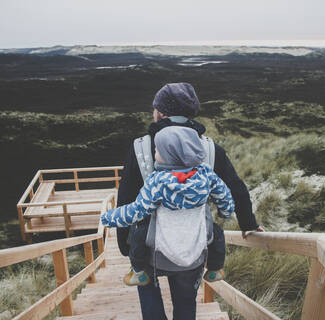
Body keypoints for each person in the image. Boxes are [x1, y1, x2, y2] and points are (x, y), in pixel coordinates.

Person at [116, 82, 264, 319]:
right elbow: (236, 188)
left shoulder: (141, 148)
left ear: (161, 112)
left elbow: (125, 198)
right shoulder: (210, 149)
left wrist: (124, 243)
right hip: (193, 245)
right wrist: (247, 223)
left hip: (148, 244)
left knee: (150, 300)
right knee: (185, 304)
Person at [101, 126, 234, 289]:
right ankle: (215, 269)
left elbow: (136, 211)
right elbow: (224, 195)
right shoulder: (207, 175)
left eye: (157, 150)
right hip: (196, 238)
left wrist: (109, 218)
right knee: (217, 232)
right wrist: (226, 211)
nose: (154, 153)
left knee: (138, 233)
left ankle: (138, 272)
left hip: (163, 242)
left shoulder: (157, 181)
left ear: (169, 155)